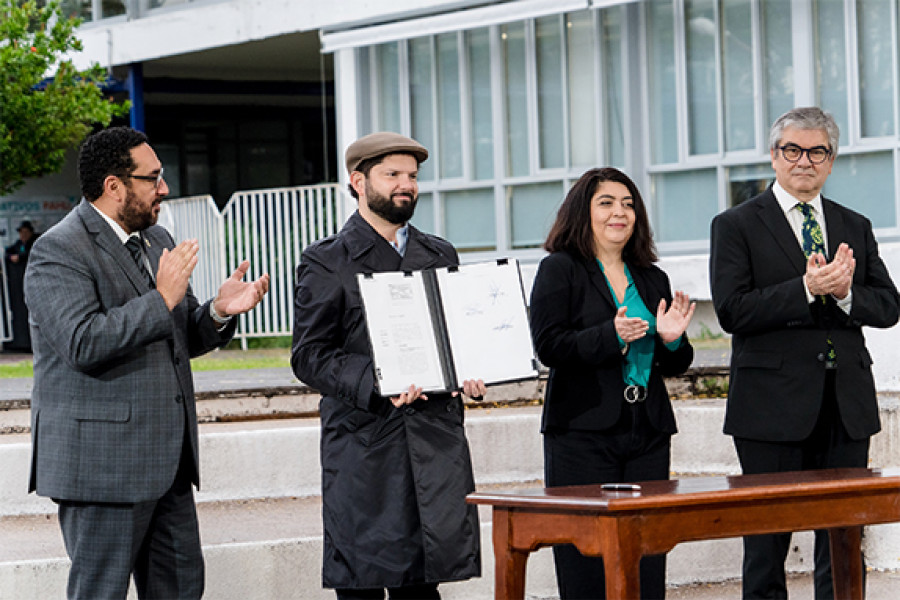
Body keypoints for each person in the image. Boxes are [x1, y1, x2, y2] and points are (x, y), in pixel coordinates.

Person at [24, 126, 270, 600]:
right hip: (101, 470)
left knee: (181, 591)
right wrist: (162, 299)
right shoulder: (58, 250)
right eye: (152, 178)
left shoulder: (156, 238)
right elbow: (81, 342)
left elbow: (177, 336)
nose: (165, 188)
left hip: (168, 465)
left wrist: (218, 312)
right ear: (114, 186)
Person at [709, 106, 900, 599]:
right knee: (767, 545)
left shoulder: (852, 223)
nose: (804, 161)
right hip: (770, 408)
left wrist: (844, 293)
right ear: (773, 157)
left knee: (841, 540)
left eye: (817, 151)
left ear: (831, 161)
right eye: (792, 150)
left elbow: (888, 306)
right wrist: (807, 287)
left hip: (846, 404)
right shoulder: (735, 225)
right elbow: (732, 310)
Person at [291, 131, 485, 599]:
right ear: (358, 181)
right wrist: (379, 381)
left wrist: (473, 368)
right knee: (363, 581)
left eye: (413, 176)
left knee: (422, 585)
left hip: (434, 441)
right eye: (393, 175)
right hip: (366, 445)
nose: (407, 185)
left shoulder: (440, 254)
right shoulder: (326, 260)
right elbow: (309, 355)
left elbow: (456, 337)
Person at [529, 167, 695, 599]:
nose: (619, 212)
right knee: (586, 559)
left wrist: (673, 341)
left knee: (646, 554)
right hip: (582, 432)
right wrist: (611, 336)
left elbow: (677, 363)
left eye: (628, 204)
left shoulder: (651, 276)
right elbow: (550, 345)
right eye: (606, 202)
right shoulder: (559, 269)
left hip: (648, 429)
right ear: (582, 213)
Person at [3, 220, 38, 351]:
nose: (22, 235)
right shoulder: (18, 244)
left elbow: (30, 254)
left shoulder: (36, 242)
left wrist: (21, 258)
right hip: (17, 286)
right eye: (20, 233)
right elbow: (8, 252)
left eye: (25, 232)